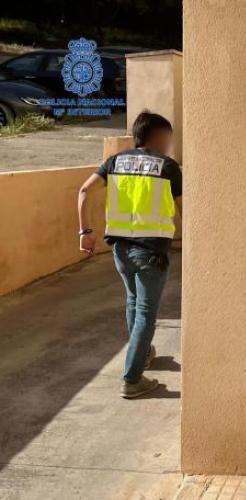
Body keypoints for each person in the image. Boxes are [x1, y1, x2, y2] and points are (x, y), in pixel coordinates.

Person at [77, 111, 182, 398]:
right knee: (146, 313)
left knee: (133, 302)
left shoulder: (114, 162)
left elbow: (84, 191)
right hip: (152, 252)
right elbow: (183, 208)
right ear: (160, 137)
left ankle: (144, 354)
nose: (170, 144)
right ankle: (132, 379)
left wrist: (85, 232)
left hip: (121, 249)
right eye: (169, 138)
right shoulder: (167, 166)